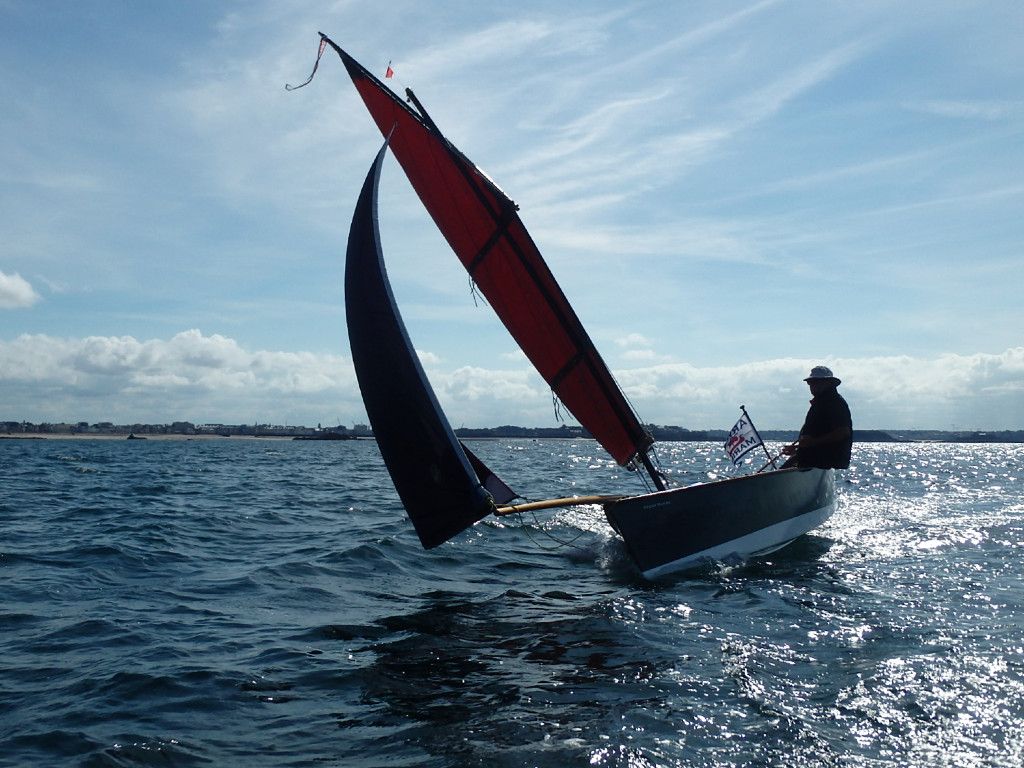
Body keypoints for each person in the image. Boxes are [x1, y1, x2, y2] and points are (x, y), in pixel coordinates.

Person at [781, 366, 852, 469]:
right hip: (814, 460)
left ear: (829, 383)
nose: (812, 386)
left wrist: (813, 442)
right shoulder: (821, 402)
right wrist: (797, 449)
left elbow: (843, 432)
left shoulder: (834, 402)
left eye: (816, 382)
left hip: (823, 462)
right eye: (810, 383)